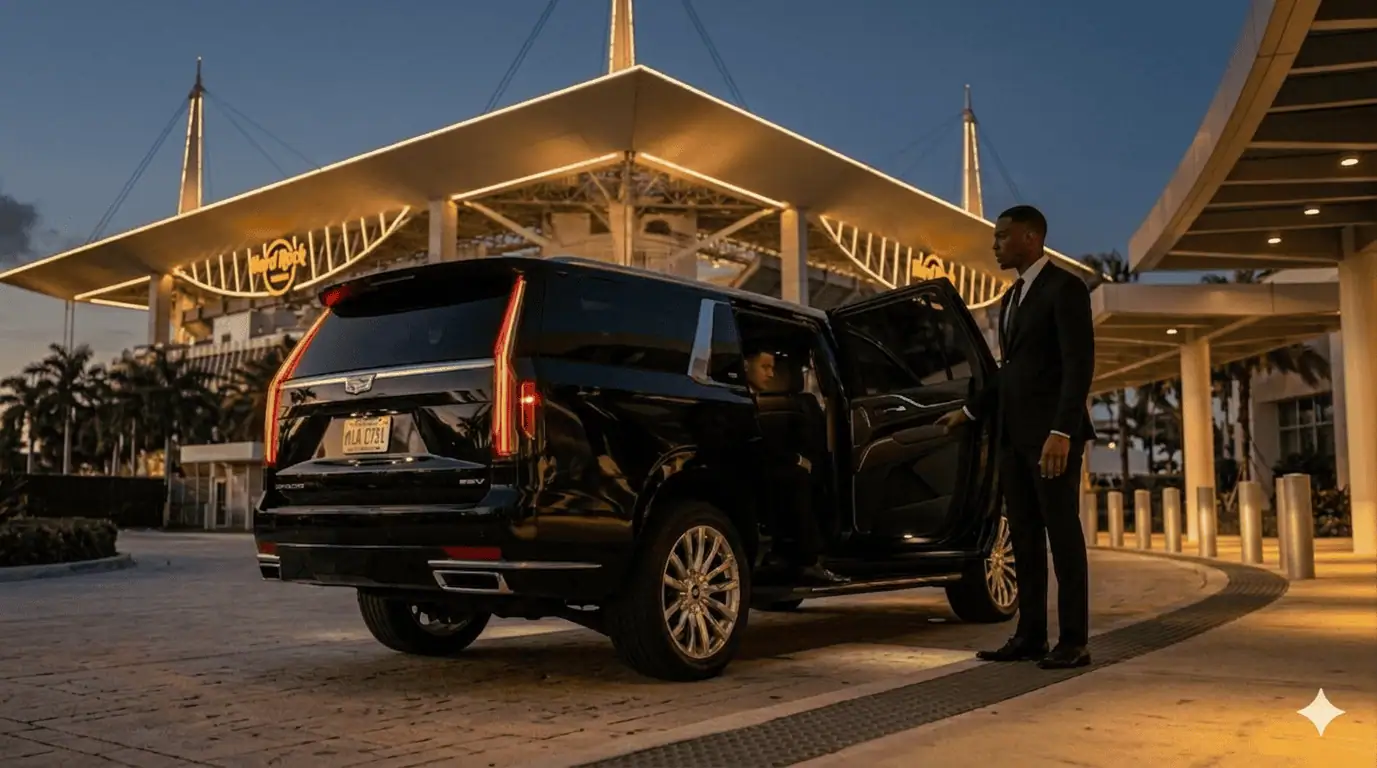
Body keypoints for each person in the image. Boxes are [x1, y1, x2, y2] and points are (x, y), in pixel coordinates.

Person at [937, 205, 1096, 670]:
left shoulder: (1065, 289)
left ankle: (1074, 641)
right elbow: (1009, 373)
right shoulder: (1012, 298)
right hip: (1013, 438)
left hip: (1050, 439)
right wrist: (968, 410)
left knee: (1063, 536)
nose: (995, 245)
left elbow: (1078, 364)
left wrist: (1061, 430)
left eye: (1002, 237)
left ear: (1030, 237)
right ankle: (1030, 636)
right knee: (1023, 539)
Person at [744, 348, 848, 587]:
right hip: (757, 469)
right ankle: (808, 558)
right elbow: (756, 443)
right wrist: (794, 460)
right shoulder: (742, 401)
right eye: (765, 367)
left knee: (800, 477)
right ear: (746, 366)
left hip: (763, 468)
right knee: (799, 478)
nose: (772, 373)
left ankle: (797, 557)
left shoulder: (759, 400)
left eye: (774, 368)